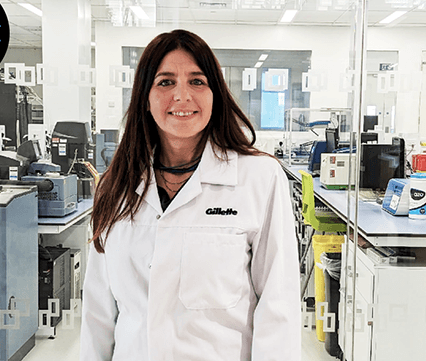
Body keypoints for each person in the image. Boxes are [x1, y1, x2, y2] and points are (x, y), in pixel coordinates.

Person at [80, 29, 301, 360]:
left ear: (216, 94)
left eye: (197, 81)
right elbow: (97, 313)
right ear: (145, 96)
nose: (182, 96)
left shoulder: (259, 177)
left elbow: (278, 305)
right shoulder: (117, 186)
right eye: (166, 82)